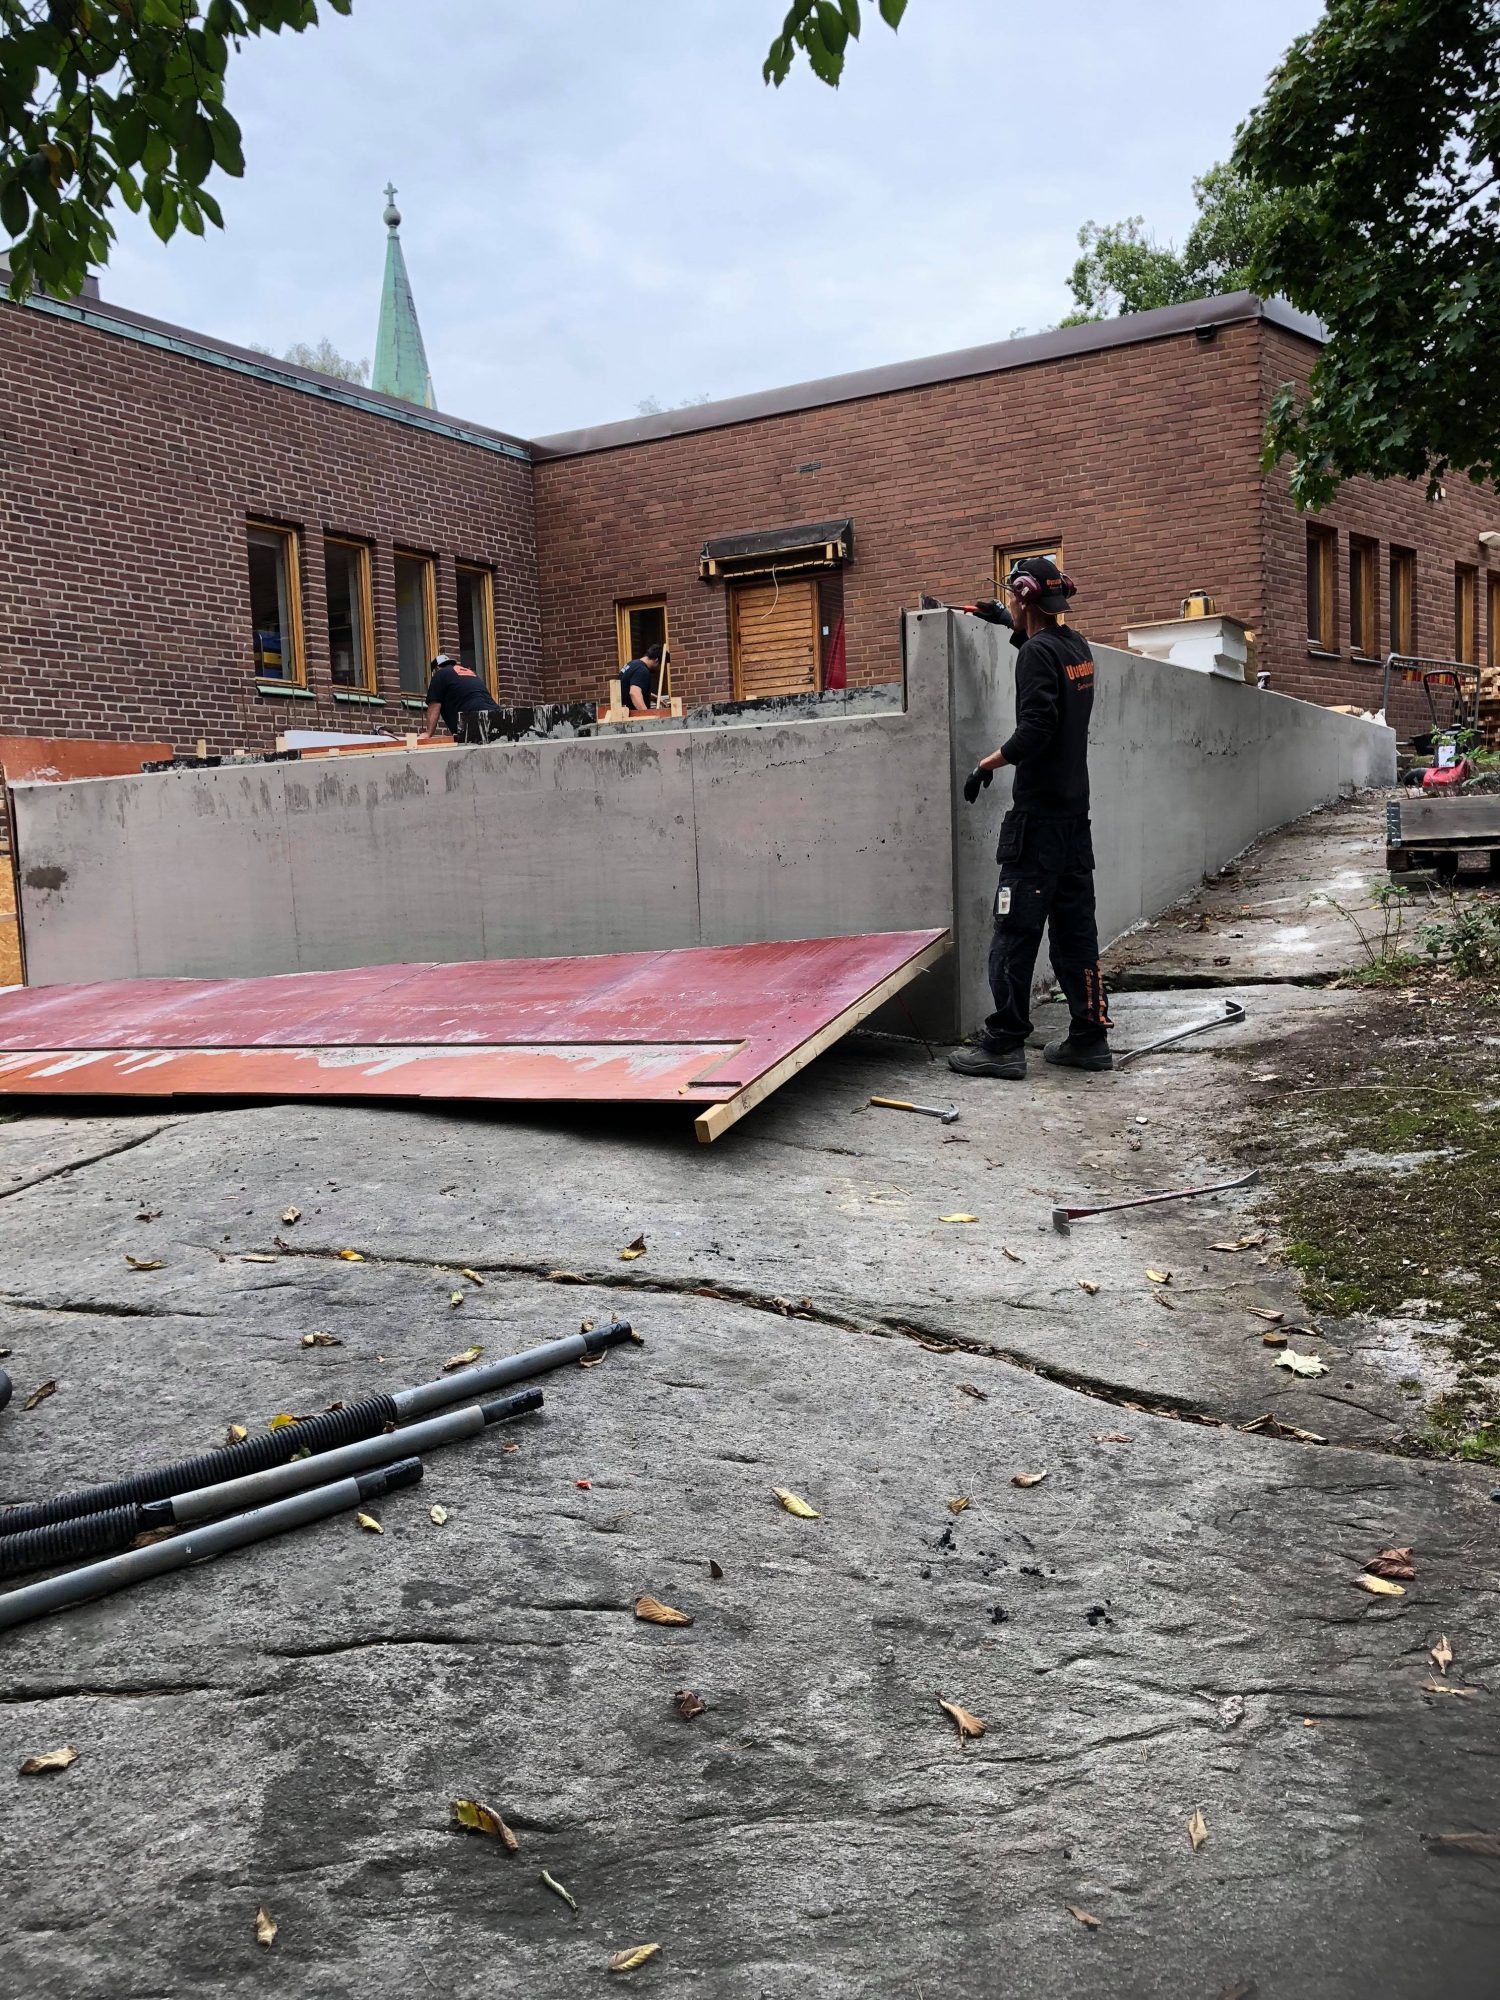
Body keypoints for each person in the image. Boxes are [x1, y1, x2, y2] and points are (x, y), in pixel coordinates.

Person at [949, 554, 1112, 1081]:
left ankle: (1003, 1044)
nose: (1010, 605)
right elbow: (1049, 664)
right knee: (1075, 930)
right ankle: (1089, 1037)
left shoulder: (1037, 653)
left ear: (1026, 598)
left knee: (1014, 932)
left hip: (1038, 821)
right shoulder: (1076, 646)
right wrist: (1006, 623)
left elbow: (1037, 726)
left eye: (1012, 600)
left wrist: (986, 764)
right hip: (1074, 819)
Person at [419, 652, 504, 744]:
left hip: (474, 721)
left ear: (436, 669)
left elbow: (434, 705)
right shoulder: (470, 673)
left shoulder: (440, 674)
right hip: (497, 716)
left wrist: (428, 733)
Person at [618, 642, 663, 713]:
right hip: (632, 717)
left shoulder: (631, 664)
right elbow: (634, 693)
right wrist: (646, 714)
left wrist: (654, 697)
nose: (657, 669)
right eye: (659, 666)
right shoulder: (642, 670)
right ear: (657, 661)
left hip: (622, 714)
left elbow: (627, 689)